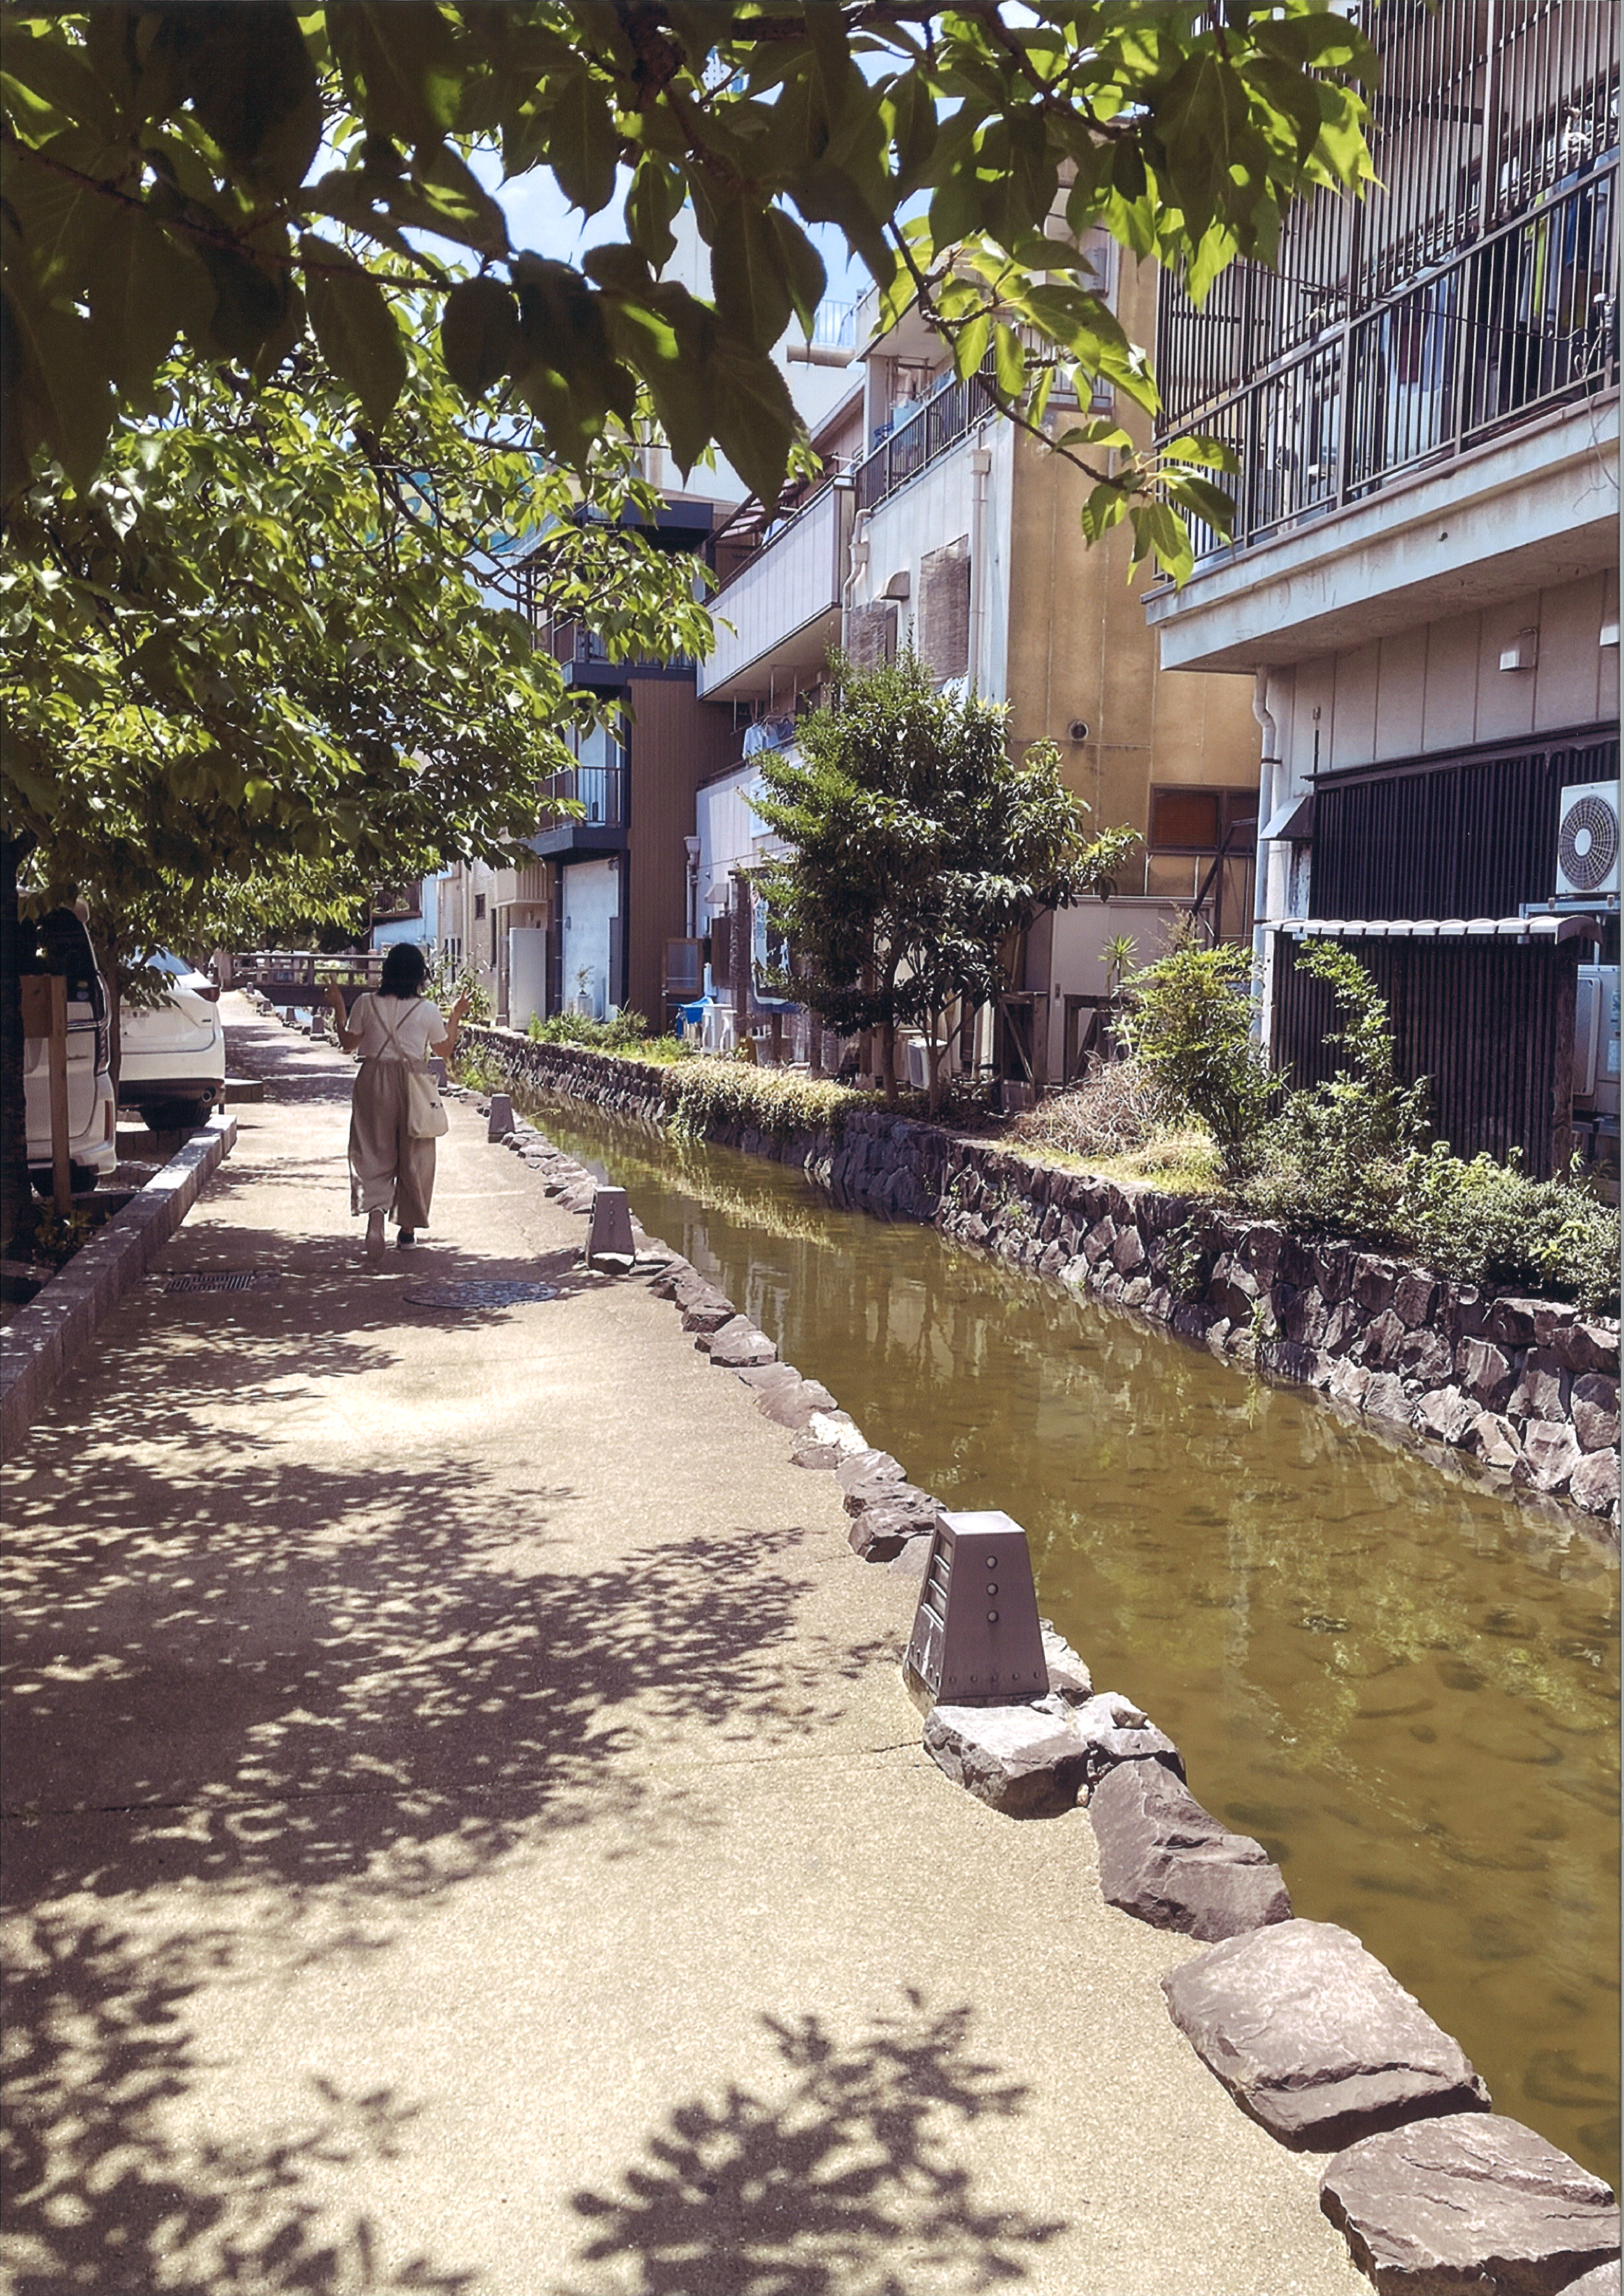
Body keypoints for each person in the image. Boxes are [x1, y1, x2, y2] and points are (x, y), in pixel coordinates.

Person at [325, 947, 468, 1259]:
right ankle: (407, 1230)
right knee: (415, 1153)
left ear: (387, 972)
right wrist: (456, 1015)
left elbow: (348, 1044)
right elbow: (444, 1050)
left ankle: (376, 1214)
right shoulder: (427, 1009)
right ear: (419, 976)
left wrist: (338, 1004)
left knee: (372, 1149)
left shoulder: (365, 1003)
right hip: (413, 1083)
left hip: (372, 1081)